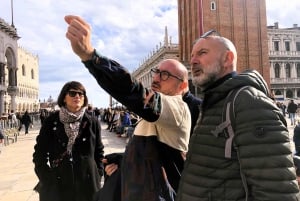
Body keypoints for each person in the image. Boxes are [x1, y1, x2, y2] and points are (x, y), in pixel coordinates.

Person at [65, 15, 191, 201]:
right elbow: (153, 157)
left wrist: (91, 57)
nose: (156, 79)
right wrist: (122, 161)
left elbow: (133, 91)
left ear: (182, 86)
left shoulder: (178, 108)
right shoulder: (158, 116)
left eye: (165, 75)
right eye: (156, 73)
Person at [176, 30, 300, 200]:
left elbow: (276, 190)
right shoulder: (214, 103)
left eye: (202, 53)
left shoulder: (250, 103)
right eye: (192, 55)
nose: (193, 61)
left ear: (228, 58)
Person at [32, 81, 105, 201]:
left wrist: (98, 173)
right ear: (64, 98)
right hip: (59, 183)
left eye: (81, 94)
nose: (77, 96)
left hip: (88, 184)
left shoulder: (92, 122)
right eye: (73, 93)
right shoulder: (51, 121)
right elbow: (40, 153)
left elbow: (99, 151)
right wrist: (46, 178)